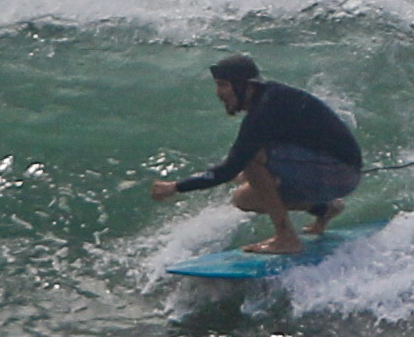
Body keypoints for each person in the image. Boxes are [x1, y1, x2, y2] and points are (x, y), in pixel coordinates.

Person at [150, 53, 362, 254]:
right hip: (334, 173)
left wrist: (175, 187)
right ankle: (323, 209)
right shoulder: (269, 102)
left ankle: (287, 239)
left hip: (338, 170)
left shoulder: (266, 108)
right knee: (245, 197)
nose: (218, 93)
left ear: (247, 86)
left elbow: (229, 168)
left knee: (250, 161)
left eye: (223, 85)